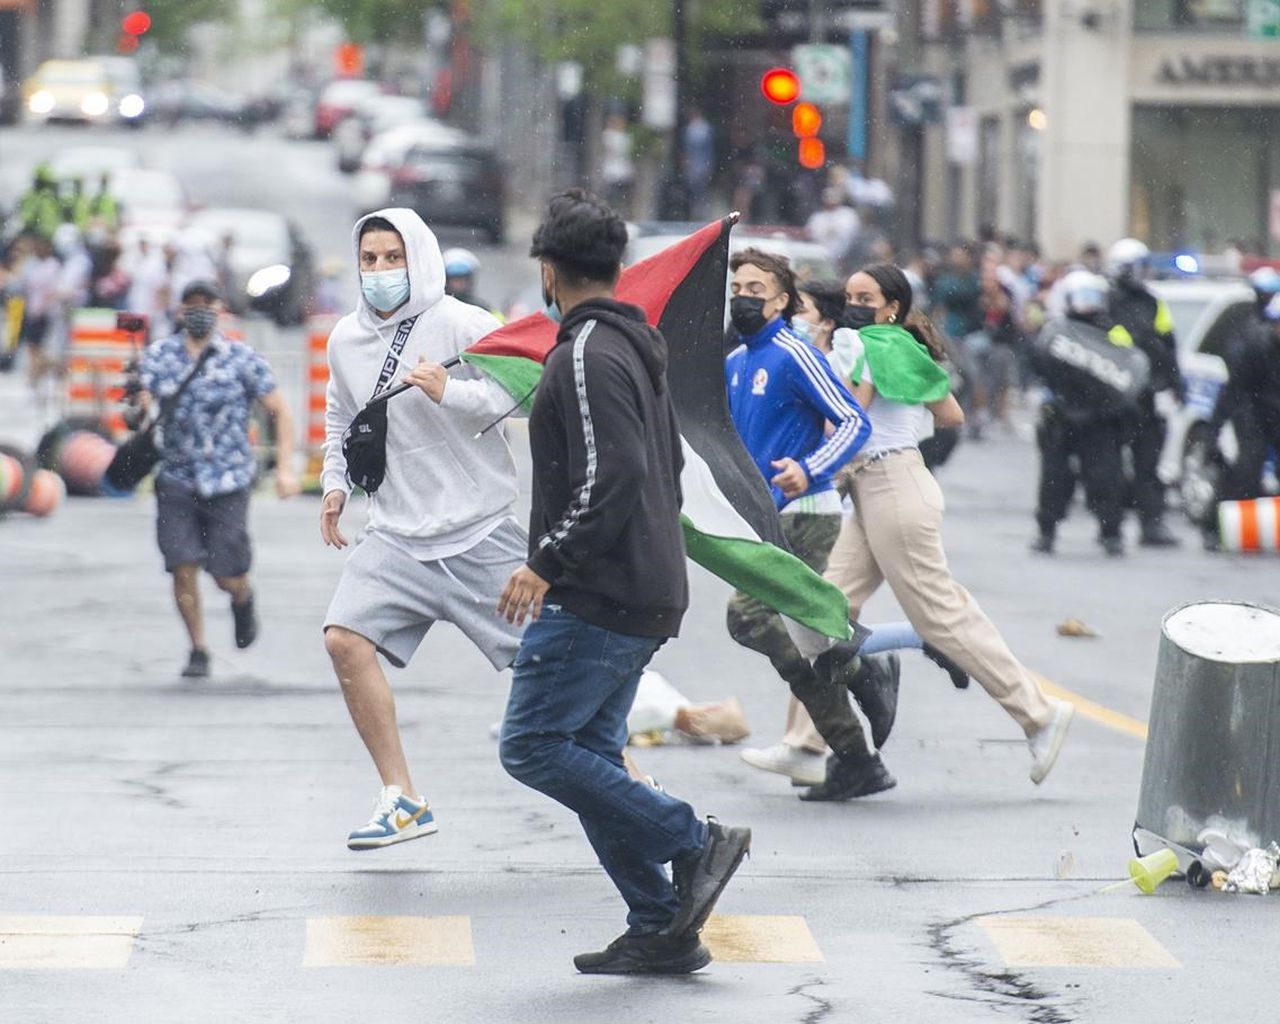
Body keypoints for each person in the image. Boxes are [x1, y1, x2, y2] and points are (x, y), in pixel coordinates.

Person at [498, 189, 750, 975]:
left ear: (549, 272)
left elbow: (614, 477)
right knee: (592, 757)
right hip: (640, 585)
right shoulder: (634, 346)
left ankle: (693, 839)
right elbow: (660, 467)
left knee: (534, 746)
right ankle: (659, 924)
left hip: (600, 592)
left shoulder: (583, 355)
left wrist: (545, 563)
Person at [817, 263, 1073, 795]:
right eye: (848, 296)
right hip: (874, 488)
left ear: (892, 305)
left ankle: (1038, 713)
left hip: (894, 487)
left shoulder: (882, 348)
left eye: (866, 296)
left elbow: (929, 414)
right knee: (822, 611)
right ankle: (809, 744)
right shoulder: (873, 347)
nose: (853, 304)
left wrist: (882, 405)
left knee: (941, 614)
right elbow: (945, 413)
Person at [320, 210, 525, 851]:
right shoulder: (344, 339)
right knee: (343, 639)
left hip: (480, 533)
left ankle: (632, 782)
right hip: (397, 536)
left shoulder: (464, 324)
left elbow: (520, 392)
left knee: (559, 665)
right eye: (370, 259)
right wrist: (335, 485)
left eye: (393, 257)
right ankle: (401, 798)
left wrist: (450, 392)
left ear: (420, 257)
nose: (380, 271)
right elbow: (341, 416)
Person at [741, 278, 969, 785]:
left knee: (785, 619)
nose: (793, 316)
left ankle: (848, 723)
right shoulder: (791, 356)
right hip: (832, 495)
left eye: (801, 308)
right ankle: (821, 743)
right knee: (813, 620)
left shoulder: (843, 354)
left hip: (833, 498)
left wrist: (810, 461)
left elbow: (851, 423)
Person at [723, 247, 911, 801]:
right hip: (763, 522)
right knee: (800, 641)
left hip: (806, 516)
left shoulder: (794, 352)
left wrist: (809, 469)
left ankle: (857, 669)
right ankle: (855, 750)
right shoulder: (737, 362)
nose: (744, 298)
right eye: (737, 288)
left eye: (757, 290)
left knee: (750, 618)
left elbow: (853, 421)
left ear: (782, 301)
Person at [137, 279, 299, 678]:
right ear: (179, 310)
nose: (198, 311)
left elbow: (280, 410)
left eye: (206, 303)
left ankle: (242, 599)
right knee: (182, 564)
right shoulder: (159, 357)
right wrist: (136, 408)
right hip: (177, 477)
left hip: (227, 479)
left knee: (228, 574)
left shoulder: (241, 358)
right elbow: (141, 408)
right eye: (190, 304)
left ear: (219, 308)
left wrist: (286, 468)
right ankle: (198, 648)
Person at [1031, 271, 1138, 557]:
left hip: (1100, 418)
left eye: (1092, 298)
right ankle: (1046, 531)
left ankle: (1111, 532)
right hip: (1062, 415)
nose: (1087, 304)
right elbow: (1039, 364)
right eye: (1082, 297)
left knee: (1106, 477)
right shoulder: (1057, 331)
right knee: (1054, 478)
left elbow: (1130, 367)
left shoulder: (1114, 331)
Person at [1104, 238, 1181, 547]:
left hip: (1146, 395)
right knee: (1107, 464)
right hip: (1111, 396)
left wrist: (1176, 384)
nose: (1143, 273)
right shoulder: (1103, 300)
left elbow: (1168, 345)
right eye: (1138, 267)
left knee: (1148, 461)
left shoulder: (1153, 301)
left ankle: (1152, 524)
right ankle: (1111, 528)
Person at [1203, 277, 1280, 549]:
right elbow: (1233, 390)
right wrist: (1215, 430)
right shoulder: (1253, 346)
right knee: (1247, 468)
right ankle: (1215, 527)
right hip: (1253, 413)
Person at [805, 187, 860, 271]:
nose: (831, 201)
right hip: (821, 258)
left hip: (846, 256)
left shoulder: (848, 214)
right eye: (828, 198)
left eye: (833, 198)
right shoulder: (817, 217)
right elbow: (812, 234)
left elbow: (850, 233)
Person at [441, 247, 497, 314]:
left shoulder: (482, 308)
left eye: (464, 278)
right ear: (446, 280)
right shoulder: (437, 308)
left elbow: (500, 323)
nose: (461, 283)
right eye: (456, 279)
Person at [681, 107, 715, 218]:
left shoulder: (694, 129)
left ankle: (695, 211)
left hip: (697, 163)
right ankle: (698, 210)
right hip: (700, 163)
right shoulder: (703, 128)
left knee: (696, 189)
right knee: (699, 190)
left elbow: (690, 149)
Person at [600, 113, 636, 216]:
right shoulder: (609, 136)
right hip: (612, 172)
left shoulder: (623, 137)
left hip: (621, 171)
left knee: (619, 196)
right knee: (613, 196)